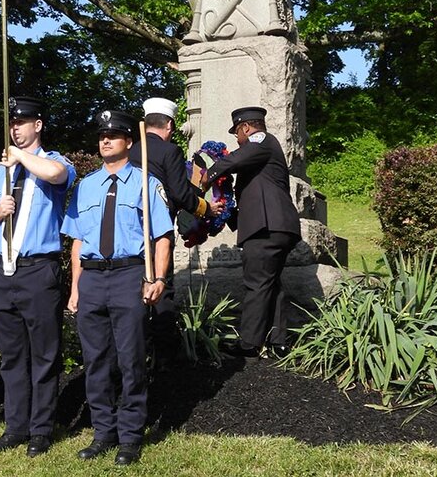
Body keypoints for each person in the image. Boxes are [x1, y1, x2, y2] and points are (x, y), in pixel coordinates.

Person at [61, 110, 173, 466]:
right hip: (92, 277)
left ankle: (130, 437)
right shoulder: (86, 186)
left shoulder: (146, 184)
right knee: (95, 361)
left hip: (129, 276)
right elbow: (77, 241)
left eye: (113, 135)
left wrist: (157, 278)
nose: (105, 140)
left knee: (130, 360)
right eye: (101, 136)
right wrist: (75, 288)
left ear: (128, 141)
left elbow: (163, 238)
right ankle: (102, 433)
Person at [0, 97, 76, 457]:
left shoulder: (53, 161)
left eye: (23, 122)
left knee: (44, 354)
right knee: (12, 354)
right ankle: (16, 427)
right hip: (2, 269)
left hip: (37, 270)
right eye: (12, 123)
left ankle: (42, 429)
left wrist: (20, 158)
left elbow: (55, 175)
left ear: (38, 125)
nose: (15, 128)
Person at [128, 97, 222, 370]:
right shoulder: (169, 152)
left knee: (134, 290)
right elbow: (180, 194)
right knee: (162, 289)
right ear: (169, 125)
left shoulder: (130, 150)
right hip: (157, 233)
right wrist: (206, 208)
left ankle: (137, 350)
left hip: (130, 234)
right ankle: (165, 357)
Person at [202, 106, 302, 357]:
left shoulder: (262, 140)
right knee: (270, 283)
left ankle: (249, 343)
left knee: (256, 283)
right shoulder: (260, 158)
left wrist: (207, 176)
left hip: (267, 227)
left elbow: (234, 159)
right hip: (276, 225)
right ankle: (278, 342)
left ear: (245, 127)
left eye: (237, 133)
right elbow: (253, 195)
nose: (237, 139)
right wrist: (228, 216)